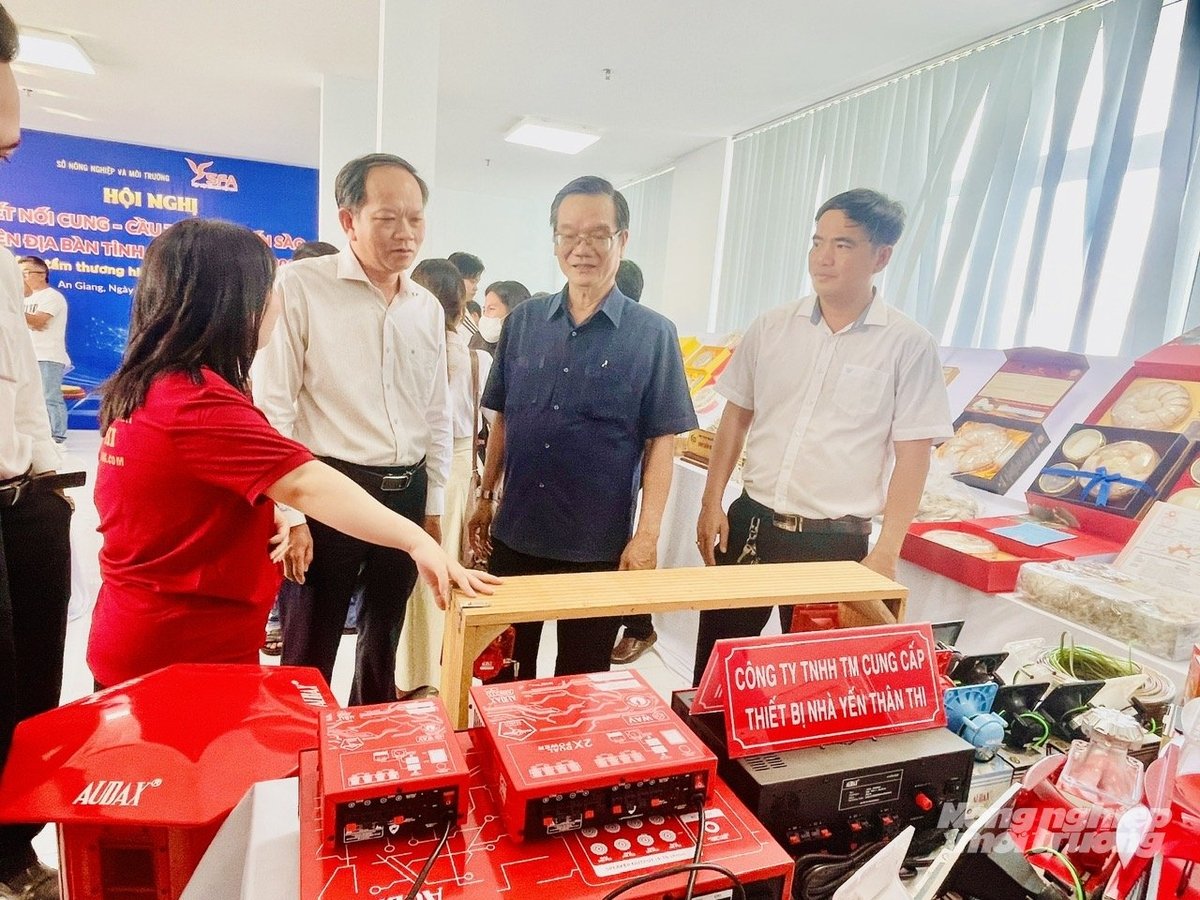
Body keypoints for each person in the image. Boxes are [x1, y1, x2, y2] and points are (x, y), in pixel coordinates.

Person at [88, 219, 495, 695]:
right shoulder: (197, 404)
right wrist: (417, 541)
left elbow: (177, 501)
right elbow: (304, 483)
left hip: (156, 632)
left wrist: (265, 515)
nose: (277, 302)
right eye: (268, 288)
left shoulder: (153, 386)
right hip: (182, 655)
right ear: (233, 302)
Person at [691, 188, 952, 685]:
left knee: (817, 684)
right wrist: (711, 502)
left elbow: (913, 457)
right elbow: (735, 418)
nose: (823, 257)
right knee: (718, 671)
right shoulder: (772, 327)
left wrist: (887, 550)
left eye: (843, 245)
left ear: (881, 257)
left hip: (834, 543)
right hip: (751, 525)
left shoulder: (909, 345)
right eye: (817, 242)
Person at [468, 176, 697, 679]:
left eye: (597, 234)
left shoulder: (653, 334)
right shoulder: (523, 322)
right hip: (517, 535)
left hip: (597, 545)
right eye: (568, 235)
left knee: (581, 679)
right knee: (504, 672)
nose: (581, 248)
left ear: (622, 240)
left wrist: (648, 535)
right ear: (555, 241)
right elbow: (503, 417)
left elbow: (662, 443)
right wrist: (484, 497)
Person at [255, 153, 456, 706]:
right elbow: (274, 407)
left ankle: (372, 734)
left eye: (415, 219)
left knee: (384, 635)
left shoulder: (425, 307)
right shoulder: (300, 286)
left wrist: (433, 503)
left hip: (407, 490)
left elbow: (435, 412)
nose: (405, 233)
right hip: (328, 490)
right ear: (349, 221)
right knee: (310, 644)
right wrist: (291, 514)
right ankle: (301, 744)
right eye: (387, 218)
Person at [0, 10, 74, 897]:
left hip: (24, 495)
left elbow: (20, 383)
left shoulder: (3, 255)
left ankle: (14, 846)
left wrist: (46, 479)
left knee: (27, 696)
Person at [396, 259, 492, 698]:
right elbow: (495, 424)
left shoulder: (404, 351)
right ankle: (441, 673)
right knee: (450, 570)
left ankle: (406, 673)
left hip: (408, 469)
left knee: (410, 573)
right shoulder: (477, 360)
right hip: (456, 471)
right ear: (461, 305)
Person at [260, 238, 345, 659]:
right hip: (295, 475)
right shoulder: (277, 337)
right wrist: (293, 515)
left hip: (317, 479)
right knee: (306, 627)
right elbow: (276, 417)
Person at [608, 259, 658, 665]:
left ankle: (639, 626)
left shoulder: (648, 337)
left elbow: (660, 433)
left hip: (622, 471)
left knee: (628, 553)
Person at [19, 256, 70, 444]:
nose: (21, 278)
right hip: (25, 355)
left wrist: (12, 310)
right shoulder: (21, 299)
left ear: (42, 274)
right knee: (27, 399)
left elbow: (39, 322)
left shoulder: (52, 297)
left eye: (25, 273)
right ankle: (35, 435)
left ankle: (57, 435)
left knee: (49, 396)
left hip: (47, 355)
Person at [471, 280, 531, 354]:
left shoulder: (531, 350)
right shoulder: (477, 342)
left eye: (491, 309)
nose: (485, 316)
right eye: (484, 310)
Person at [449, 251, 484, 341]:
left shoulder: (463, 311)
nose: (475, 288)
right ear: (456, 278)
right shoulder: (450, 311)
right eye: (472, 281)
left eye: (477, 283)